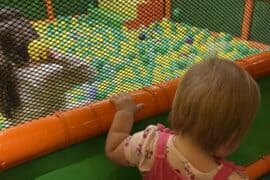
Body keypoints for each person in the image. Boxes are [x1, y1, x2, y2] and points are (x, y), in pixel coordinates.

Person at [105, 59, 261, 179]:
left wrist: (125, 112)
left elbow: (114, 149)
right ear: (232, 138)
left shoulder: (149, 143)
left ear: (178, 108)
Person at [0, 8, 96, 127]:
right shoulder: (46, 73)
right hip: (57, 126)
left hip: (20, 131)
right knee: (92, 101)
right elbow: (90, 72)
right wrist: (56, 56)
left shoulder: (3, 79)